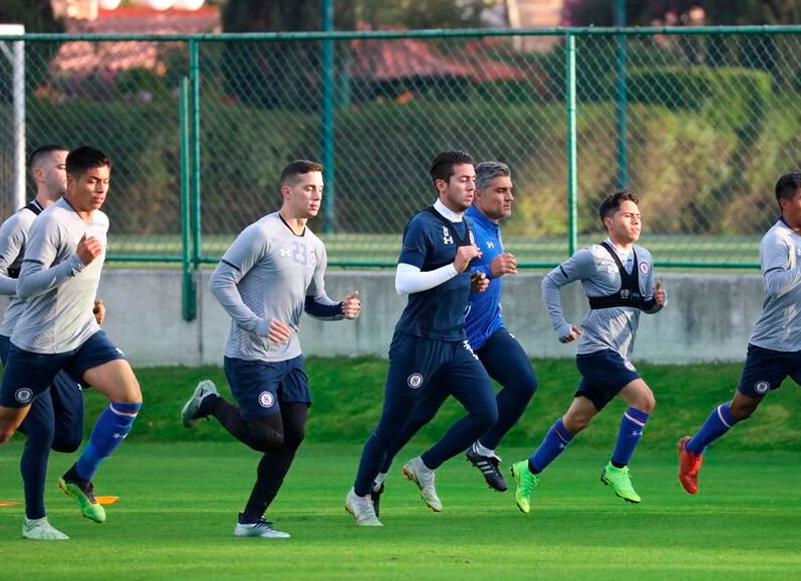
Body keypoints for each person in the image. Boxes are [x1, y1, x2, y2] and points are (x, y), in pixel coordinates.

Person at [179, 160, 361, 538]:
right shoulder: (260, 233)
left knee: (292, 435)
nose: (317, 195)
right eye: (309, 188)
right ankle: (209, 401)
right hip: (250, 356)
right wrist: (256, 322)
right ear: (287, 191)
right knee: (267, 438)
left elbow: (314, 300)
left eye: (320, 189)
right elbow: (220, 281)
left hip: (289, 357)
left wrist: (339, 309)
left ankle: (250, 520)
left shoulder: (314, 246)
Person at [0, 146, 143, 530]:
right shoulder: (45, 222)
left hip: (81, 333)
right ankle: (35, 521)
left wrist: (90, 303)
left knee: (129, 397)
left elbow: (82, 280)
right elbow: (28, 283)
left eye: (105, 181)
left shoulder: (100, 221)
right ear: (62, 178)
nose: (101, 189)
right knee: (5, 430)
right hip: (37, 341)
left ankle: (79, 477)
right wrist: (74, 265)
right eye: (91, 180)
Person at [676, 172, 801, 506]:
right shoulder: (776, 241)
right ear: (784, 203)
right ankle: (692, 448)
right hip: (771, 346)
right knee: (741, 408)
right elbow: (776, 286)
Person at [370, 162, 536, 509]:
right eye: (501, 190)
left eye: (511, 189)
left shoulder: (490, 226)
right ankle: (377, 475)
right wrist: (488, 269)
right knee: (415, 416)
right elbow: (450, 278)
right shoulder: (467, 226)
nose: (510, 197)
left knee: (523, 382)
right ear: (478, 194)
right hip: (450, 337)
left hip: (488, 331)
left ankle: (478, 449)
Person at [345, 150, 496, 527]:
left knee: (486, 413)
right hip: (418, 342)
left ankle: (425, 465)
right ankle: (360, 493)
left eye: (473, 179)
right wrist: (456, 267)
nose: (471, 185)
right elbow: (404, 283)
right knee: (392, 426)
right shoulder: (422, 224)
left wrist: (471, 281)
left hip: (454, 342)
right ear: (441, 185)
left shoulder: (467, 226)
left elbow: (454, 278)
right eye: (463, 179)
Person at [509, 189, 666, 514]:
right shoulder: (592, 257)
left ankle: (529, 469)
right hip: (597, 351)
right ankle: (617, 469)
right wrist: (560, 325)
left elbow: (643, 304)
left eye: (638, 215)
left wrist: (656, 303)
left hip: (619, 354)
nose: (636, 220)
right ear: (609, 222)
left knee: (576, 420)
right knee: (645, 400)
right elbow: (549, 282)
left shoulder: (645, 258)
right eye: (627, 215)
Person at [0, 145, 87, 540]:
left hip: (65, 340)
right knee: (40, 431)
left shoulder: (81, 220)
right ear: (40, 175)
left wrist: (91, 304)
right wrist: (27, 288)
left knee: (68, 436)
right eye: (62, 166)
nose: (70, 171)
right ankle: (35, 521)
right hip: (23, 339)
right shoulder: (23, 222)